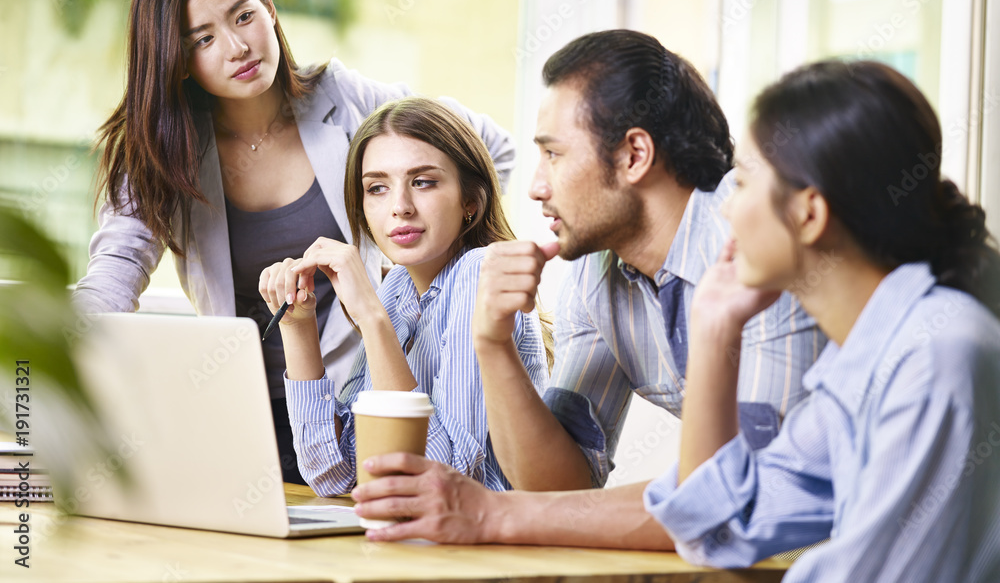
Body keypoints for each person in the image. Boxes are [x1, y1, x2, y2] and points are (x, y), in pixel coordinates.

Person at [350, 29, 822, 548]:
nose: (536, 186)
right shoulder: (596, 272)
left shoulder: (757, 240)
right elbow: (560, 485)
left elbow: (742, 498)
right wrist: (492, 343)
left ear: (634, 155)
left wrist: (493, 514)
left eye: (553, 154)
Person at [72, 0, 515, 484]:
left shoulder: (346, 98)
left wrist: (424, 282)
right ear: (175, 59)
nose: (236, 47)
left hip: (359, 409)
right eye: (203, 39)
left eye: (243, 16)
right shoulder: (162, 152)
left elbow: (492, 149)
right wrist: (43, 344)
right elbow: (113, 278)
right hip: (242, 413)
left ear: (269, 6)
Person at [645, 60, 1000, 580]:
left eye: (742, 183)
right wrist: (714, 327)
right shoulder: (862, 361)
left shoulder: (934, 356)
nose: (725, 211)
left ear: (808, 214)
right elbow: (716, 531)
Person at [258, 98, 549, 494]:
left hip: (496, 547)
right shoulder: (398, 289)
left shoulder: (482, 273)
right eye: (377, 188)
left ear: (470, 201)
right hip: (423, 541)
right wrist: (298, 328)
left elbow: (445, 477)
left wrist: (372, 319)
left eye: (423, 181)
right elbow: (334, 474)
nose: (399, 207)